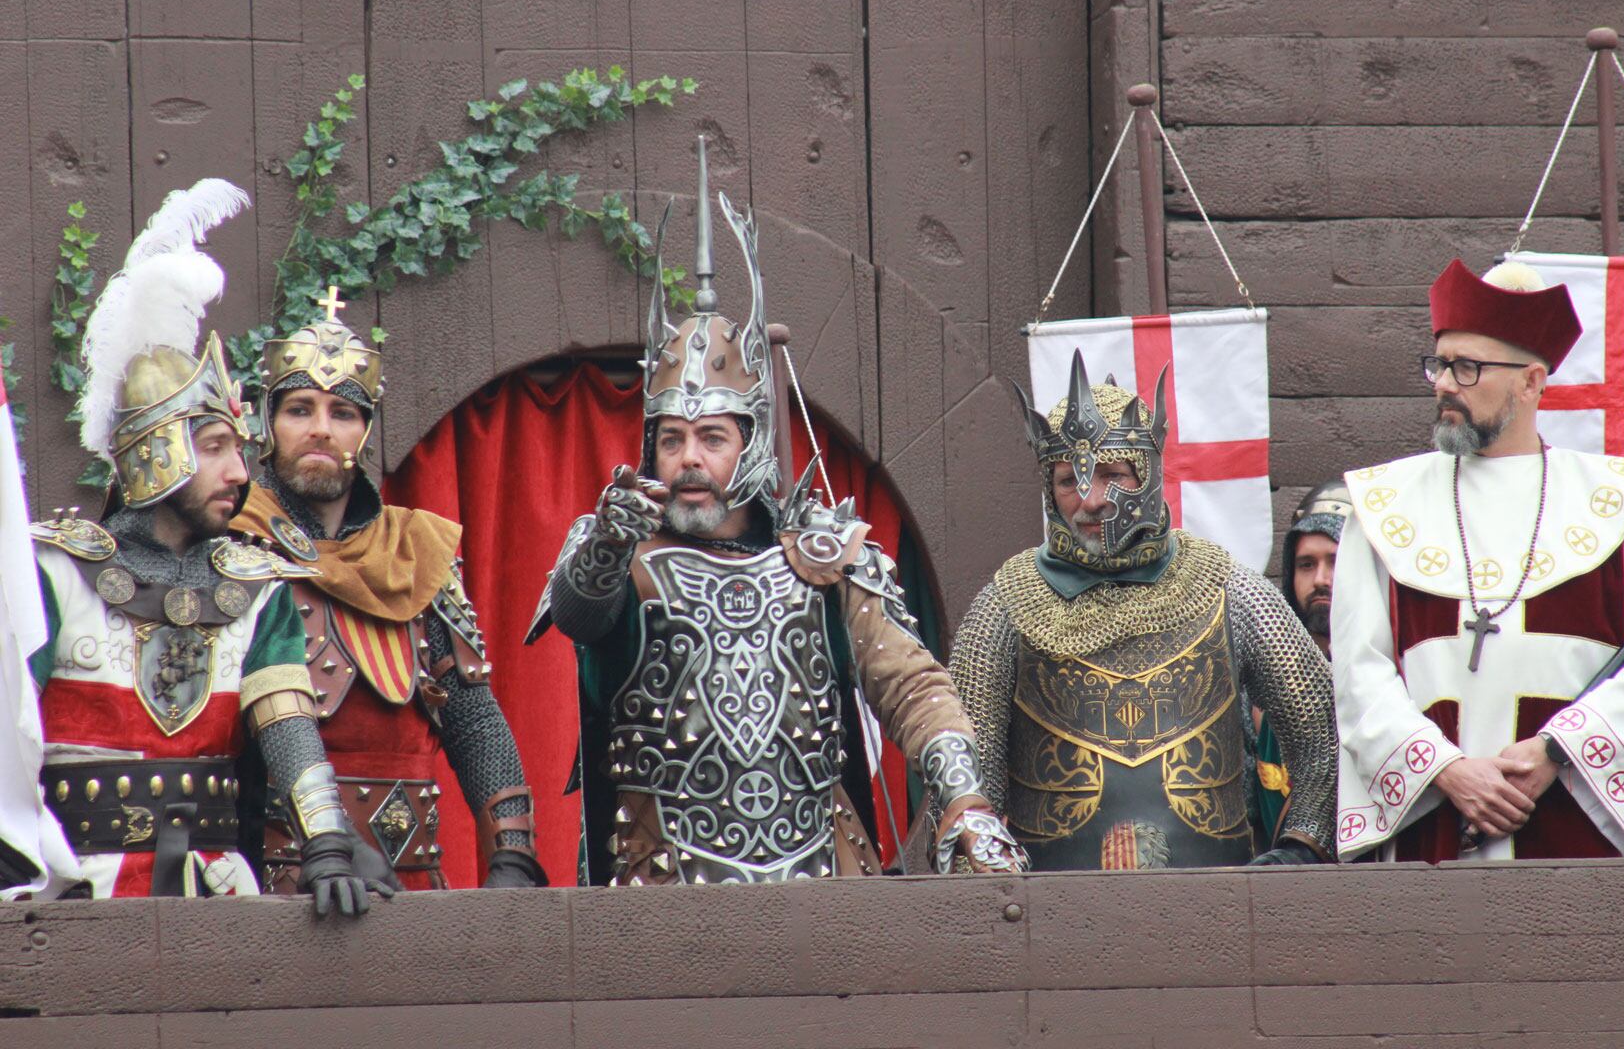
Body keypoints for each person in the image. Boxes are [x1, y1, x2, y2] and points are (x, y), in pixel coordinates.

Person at [530, 141, 1024, 884]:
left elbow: (912, 685)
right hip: (658, 885)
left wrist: (965, 801)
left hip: (826, 878)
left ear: (753, 442)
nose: (688, 459)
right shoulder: (621, 558)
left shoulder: (827, 559)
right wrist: (605, 541)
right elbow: (579, 612)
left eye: (711, 438)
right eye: (671, 439)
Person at [21, 180, 382, 913]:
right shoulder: (55, 574)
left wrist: (326, 841)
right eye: (215, 447)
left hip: (214, 891)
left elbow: (286, 723)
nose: (240, 472)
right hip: (72, 890)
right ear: (158, 453)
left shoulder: (255, 587)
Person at [1333, 258, 1624, 861]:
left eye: (1468, 367)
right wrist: (1446, 769)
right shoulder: (1381, 504)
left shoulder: (1620, 504)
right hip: (1436, 829)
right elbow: (1358, 671)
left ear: (1531, 383)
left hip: (1574, 832)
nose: (1445, 383)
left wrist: (1557, 751)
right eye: (1439, 364)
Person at [947, 352, 1338, 870]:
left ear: (1148, 475)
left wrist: (1301, 847)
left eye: (1111, 475)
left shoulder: (1228, 588)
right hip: (1045, 917)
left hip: (1218, 905)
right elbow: (965, 776)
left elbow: (1319, 733)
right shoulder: (1007, 605)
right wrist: (985, 875)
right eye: (1069, 481)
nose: (1089, 500)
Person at [231, 290, 544, 891]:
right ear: (266, 423)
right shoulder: (235, 547)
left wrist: (513, 851)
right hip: (279, 883)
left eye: (342, 414)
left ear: (366, 431)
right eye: (300, 409)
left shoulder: (412, 554)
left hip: (414, 882)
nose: (321, 429)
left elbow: (475, 719)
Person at [1253, 481, 1349, 849]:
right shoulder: (1261, 685)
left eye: (1336, 562)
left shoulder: (1402, 675)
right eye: (1306, 565)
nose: (1321, 580)